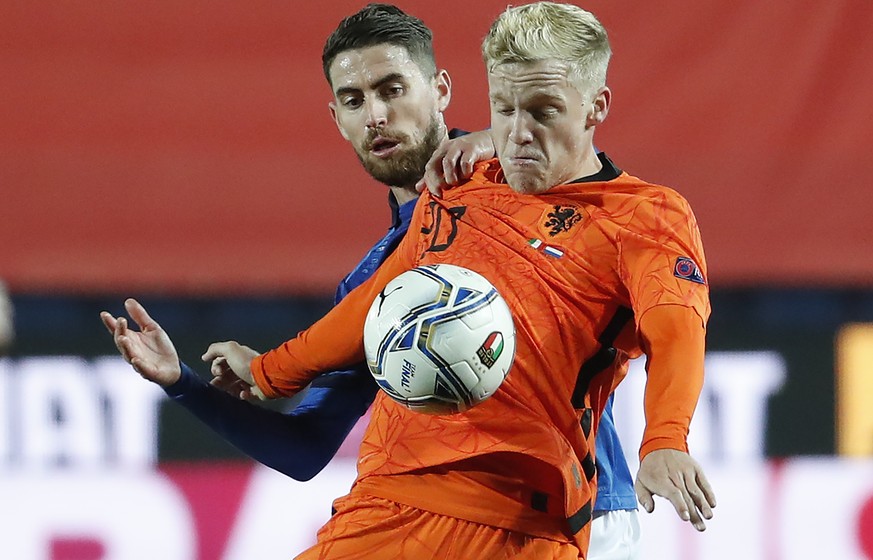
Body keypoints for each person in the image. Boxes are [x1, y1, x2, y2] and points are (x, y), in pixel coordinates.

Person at [103, 3, 703, 558]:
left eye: (392, 90)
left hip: (569, 513)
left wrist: (665, 438)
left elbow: (673, 327)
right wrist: (206, 381)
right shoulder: (398, 265)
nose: (379, 115)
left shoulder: (597, 201)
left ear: (442, 90)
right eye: (355, 100)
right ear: (336, 118)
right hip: (400, 497)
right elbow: (309, 442)